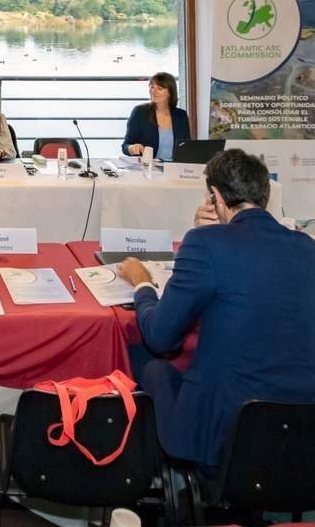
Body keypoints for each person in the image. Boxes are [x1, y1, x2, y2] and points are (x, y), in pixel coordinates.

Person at [118, 149, 315, 476]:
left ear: (216, 196)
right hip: (299, 436)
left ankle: (138, 479)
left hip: (220, 437)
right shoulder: (307, 247)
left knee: (146, 360)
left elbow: (160, 336)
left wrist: (143, 284)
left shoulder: (204, 243)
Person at [121, 72, 191, 160]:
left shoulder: (181, 115)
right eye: (152, 87)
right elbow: (125, 146)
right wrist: (132, 148)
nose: (153, 91)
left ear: (170, 92)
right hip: (147, 166)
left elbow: (187, 148)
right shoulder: (140, 112)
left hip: (174, 166)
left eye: (159, 88)